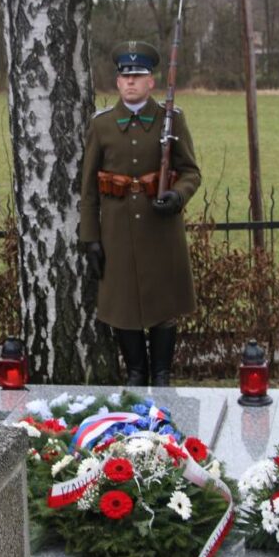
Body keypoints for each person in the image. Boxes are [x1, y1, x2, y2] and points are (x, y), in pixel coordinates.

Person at [79, 41, 201, 387]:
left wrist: (177, 196)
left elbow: (191, 171)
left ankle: (162, 374)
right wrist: (90, 239)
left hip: (160, 231)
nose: (131, 82)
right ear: (117, 83)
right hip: (116, 233)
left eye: (139, 75)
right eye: (125, 76)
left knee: (164, 308)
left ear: (152, 82)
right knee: (122, 308)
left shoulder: (171, 119)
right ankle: (136, 373)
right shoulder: (101, 125)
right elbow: (88, 188)